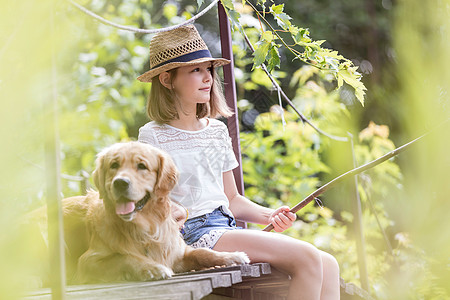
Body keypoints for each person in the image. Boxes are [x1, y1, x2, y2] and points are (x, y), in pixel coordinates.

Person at [137, 24, 340, 300]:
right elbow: (148, 201)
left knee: (329, 263)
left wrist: (270, 215)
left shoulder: (216, 131)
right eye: (195, 70)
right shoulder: (152, 136)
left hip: (224, 227)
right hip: (191, 235)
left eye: (209, 69)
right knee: (306, 257)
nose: (208, 78)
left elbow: (231, 199)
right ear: (166, 79)